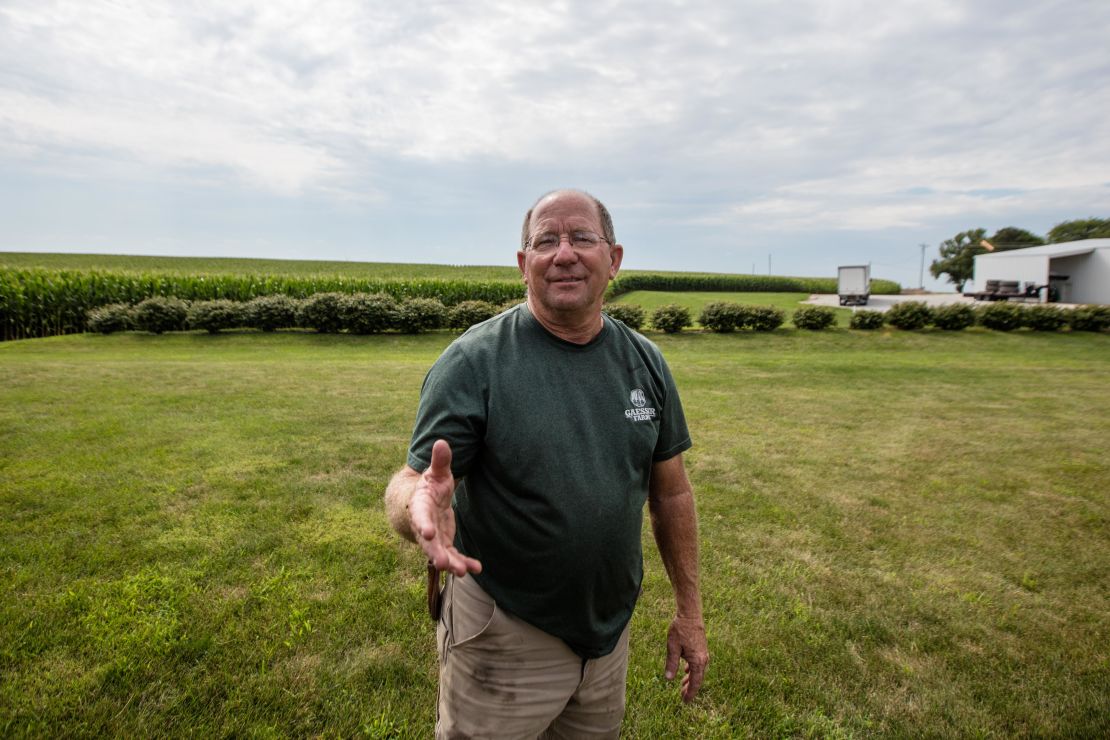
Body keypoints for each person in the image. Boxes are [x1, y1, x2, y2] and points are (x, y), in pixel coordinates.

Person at [385, 189, 708, 738]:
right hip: (503, 632)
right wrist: (414, 505)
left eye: (583, 238)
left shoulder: (646, 362)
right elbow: (415, 480)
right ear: (522, 264)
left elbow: (672, 492)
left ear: (614, 259)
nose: (564, 253)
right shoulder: (474, 361)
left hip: (607, 638)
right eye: (545, 241)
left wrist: (690, 612)